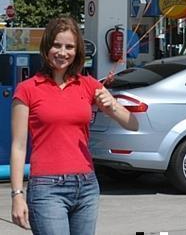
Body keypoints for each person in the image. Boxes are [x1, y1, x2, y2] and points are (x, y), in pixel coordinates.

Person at [10, 16, 138, 234]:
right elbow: (18, 147)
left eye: (69, 47)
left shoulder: (88, 85)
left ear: (77, 50)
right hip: (46, 188)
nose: (62, 52)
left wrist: (113, 106)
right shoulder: (27, 89)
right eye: (56, 45)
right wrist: (17, 195)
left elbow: (132, 124)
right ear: (46, 46)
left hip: (86, 185)